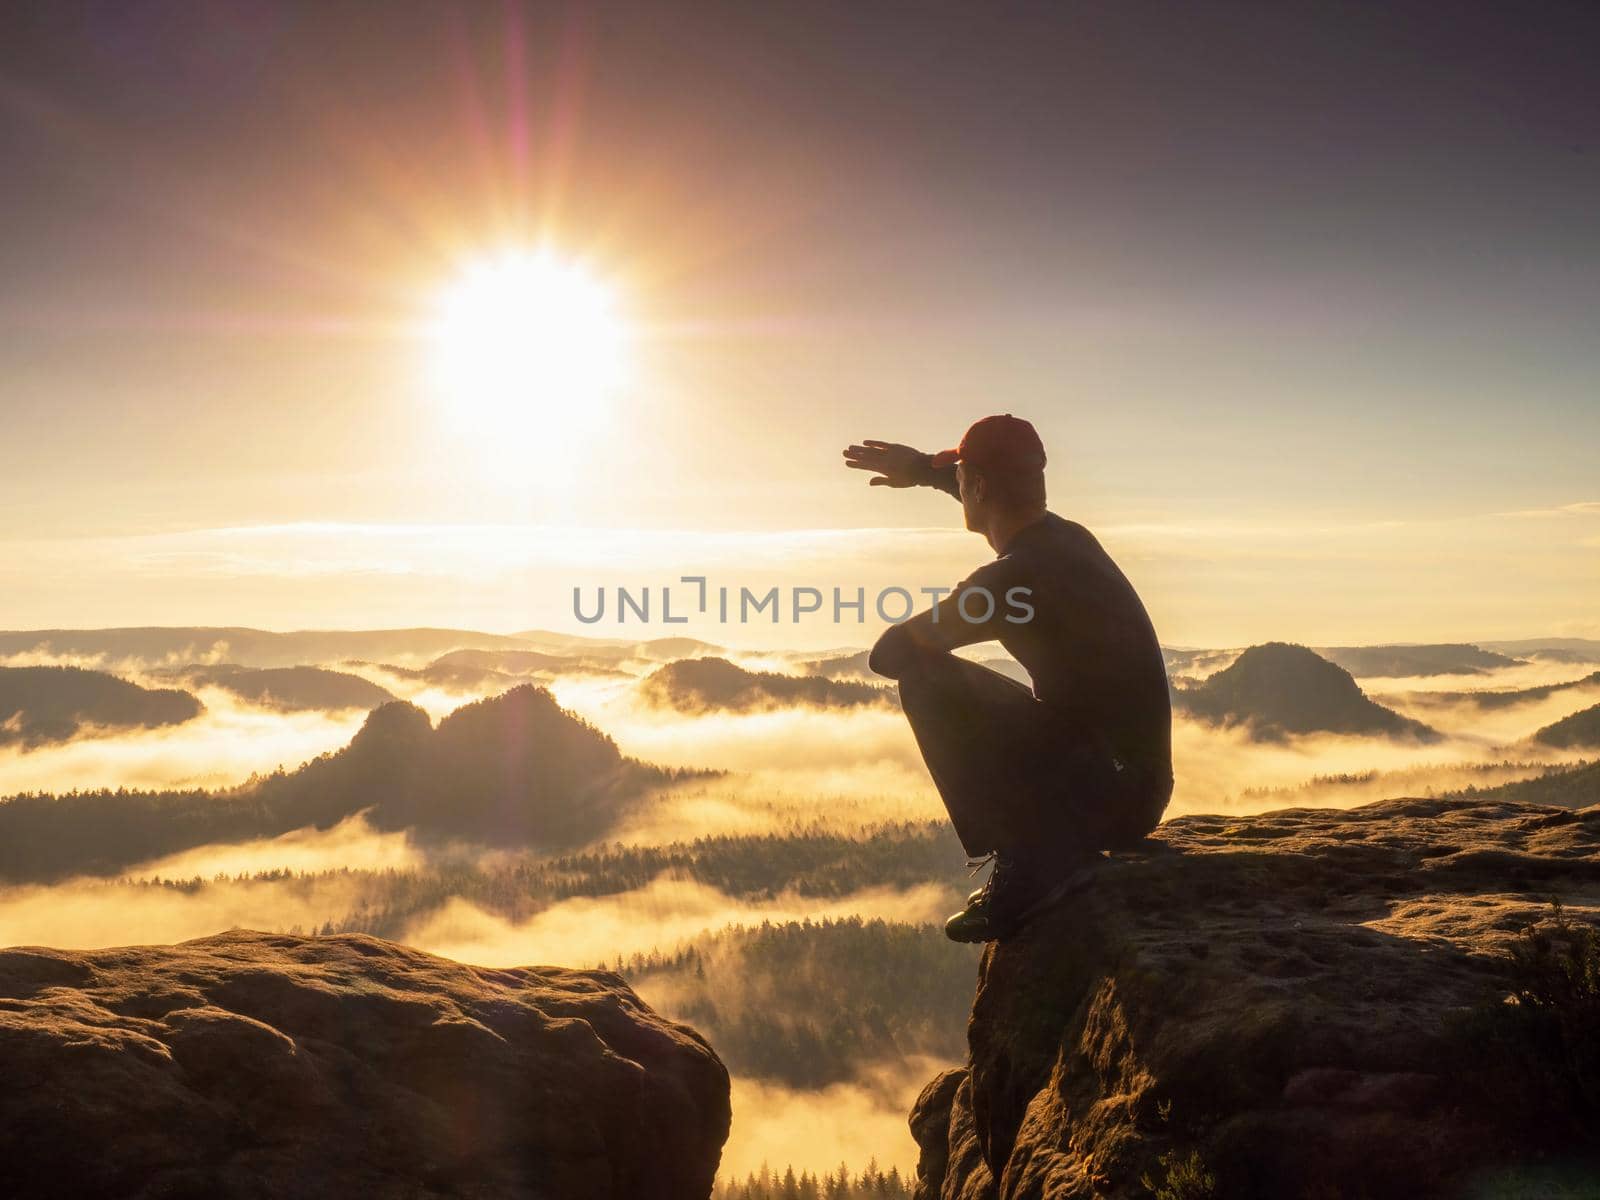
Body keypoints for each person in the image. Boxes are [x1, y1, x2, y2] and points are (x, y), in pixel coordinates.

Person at [842, 415, 1173, 942]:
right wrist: (927, 469)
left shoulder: (1010, 580)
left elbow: (889, 655)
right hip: (1135, 783)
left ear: (976, 486)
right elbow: (988, 491)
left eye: (962, 478)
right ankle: (1042, 851)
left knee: (925, 679)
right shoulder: (1067, 541)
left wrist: (944, 612)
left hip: (1106, 795)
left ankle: (1033, 865)